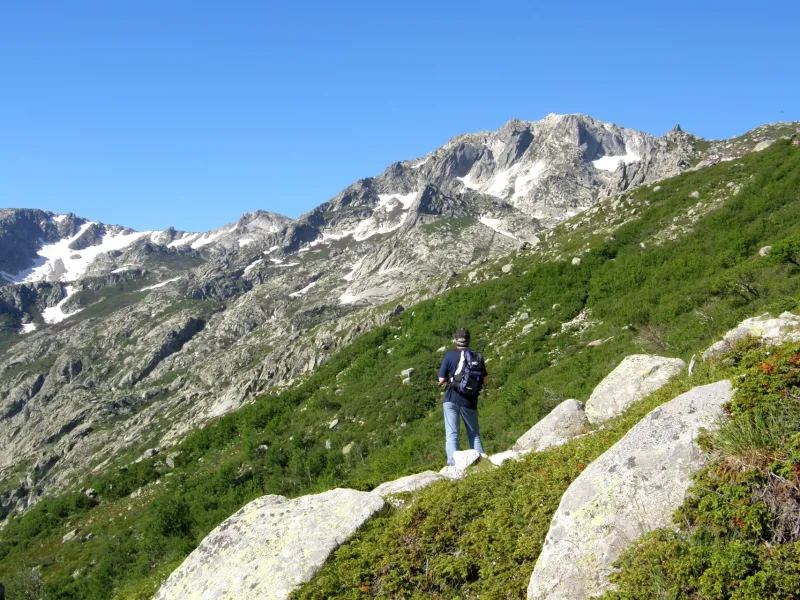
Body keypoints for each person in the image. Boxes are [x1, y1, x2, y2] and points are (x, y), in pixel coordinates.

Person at [438, 328, 487, 465]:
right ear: (469, 340)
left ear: (456, 340)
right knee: (474, 433)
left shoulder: (449, 355)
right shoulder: (476, 356)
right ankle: (481, 462)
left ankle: (453, 464)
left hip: (451, 398)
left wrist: (448, 379)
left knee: (452, 434)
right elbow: (484, 380)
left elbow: (441, 379)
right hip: (469, 401)